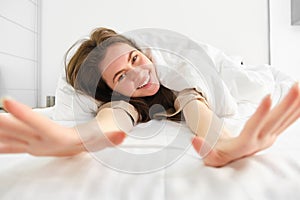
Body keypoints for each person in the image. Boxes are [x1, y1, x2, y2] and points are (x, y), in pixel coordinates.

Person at [0, 27, 299, 167]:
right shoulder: (119, 103)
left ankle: (223, 144)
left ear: (145, 54)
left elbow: (198, 99)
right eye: (120, 77)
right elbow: (112, 119)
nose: (137, 74)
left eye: (133, 59)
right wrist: (75, 140)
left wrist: (224, 142)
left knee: (190, 98)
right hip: (122, 104)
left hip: (192, 90)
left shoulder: (176, 72)